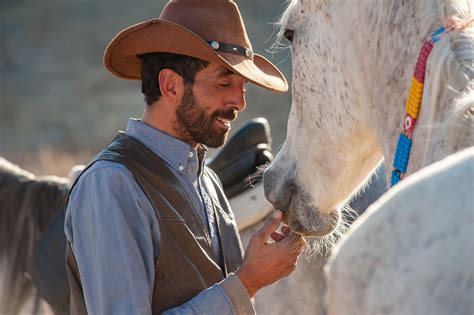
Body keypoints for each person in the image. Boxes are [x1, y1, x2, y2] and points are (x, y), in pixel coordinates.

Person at [64, 0, 305, 314]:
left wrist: (252, 271)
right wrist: (247, 282)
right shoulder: (111, 185)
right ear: (170, 85)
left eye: (242, 86)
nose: (239, 102)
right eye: (224, 83)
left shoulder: (207, 180)